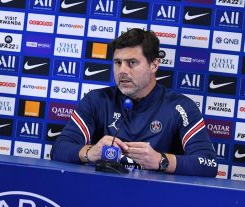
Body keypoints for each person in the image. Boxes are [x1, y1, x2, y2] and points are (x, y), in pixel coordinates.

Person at [51, 28, 217, 177]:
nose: (122, 71)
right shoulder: (96, 100)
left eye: (132, 63)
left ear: (154, 65)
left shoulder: (180, 107)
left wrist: (161, 161)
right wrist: (90, 152)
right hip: (101, 193)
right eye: (118, 63)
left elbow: (208, 164)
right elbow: (59, 149)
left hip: (156, 199)